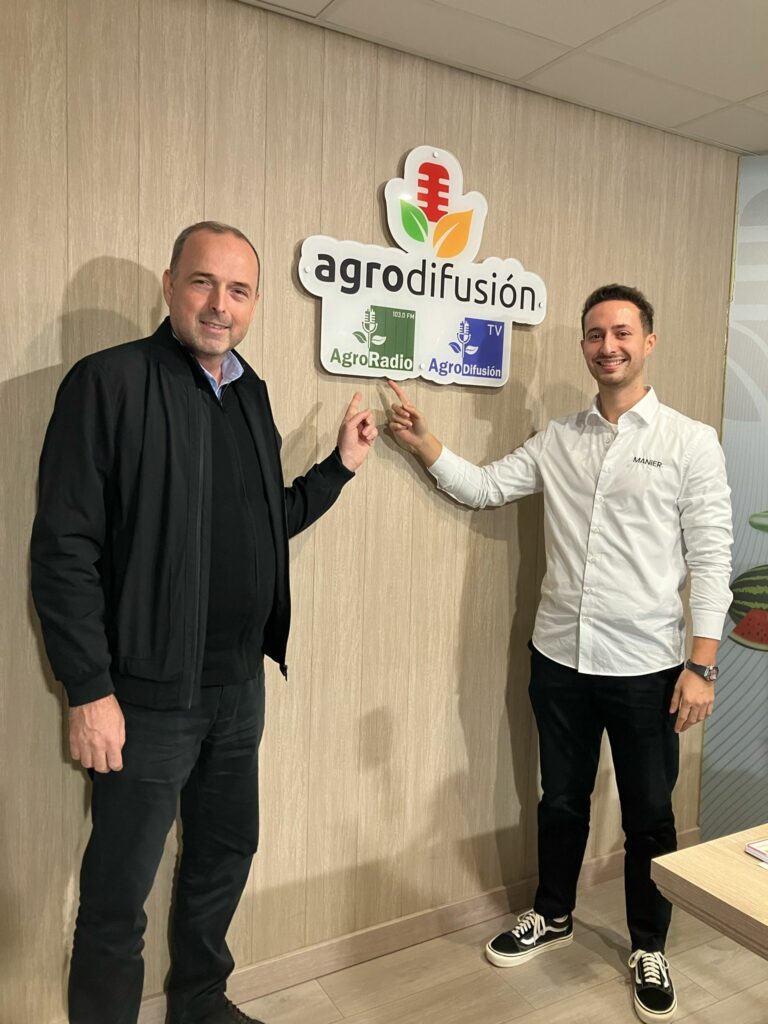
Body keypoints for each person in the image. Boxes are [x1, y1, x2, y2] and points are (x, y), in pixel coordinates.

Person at [31, 221, 377, 1024]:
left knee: (223, 855)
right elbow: (63, 551)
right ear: (169, 286)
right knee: (118, 892)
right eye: (203, 282)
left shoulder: (250, 393)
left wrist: (337, 469)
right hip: (145, 696)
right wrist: (88, 689)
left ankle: (199, 1003)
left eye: (239, 290)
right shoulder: (109, 382)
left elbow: (263, 522)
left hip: (237, 688)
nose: (220, 304)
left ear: (253, 304)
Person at [388, 284, 732, 1024]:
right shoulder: (559, 439)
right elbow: (485, 487)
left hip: (648, 668)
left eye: (622, 333)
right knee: (560, 800)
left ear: (648, 342)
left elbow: (711, 557)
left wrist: (701, 665)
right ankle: (553, 914)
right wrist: (424, 443)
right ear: (583, 346)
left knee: (649, 816)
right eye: (595, 334)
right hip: (560, 659)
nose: (608, 346)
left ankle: (649, 944)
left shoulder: (689, 441)